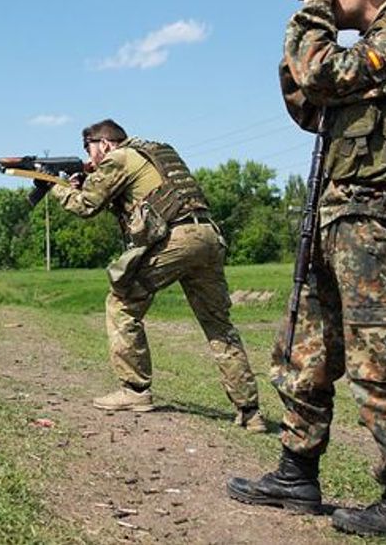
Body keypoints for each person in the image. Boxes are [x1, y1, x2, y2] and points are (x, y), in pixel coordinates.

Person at [226, 0, 386, 540]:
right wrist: (310, 30)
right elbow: (311, 103)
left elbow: (325, 73)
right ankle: (296, 473)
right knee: (305, 351)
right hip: (335, 219)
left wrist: (313, 14)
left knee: (380, 359)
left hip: (375, 222)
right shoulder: (370, 53)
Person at [48, 118, 265, 433]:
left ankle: (134, 391)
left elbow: (85, 206)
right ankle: (250, 412)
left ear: (105, 144)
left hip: (177, 241)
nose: (91, 157)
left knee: (121, 304)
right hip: (207, 234)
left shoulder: (118, 157)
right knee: (218, 325)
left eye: (90, 149)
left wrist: (56, 186)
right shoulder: (156, 151)